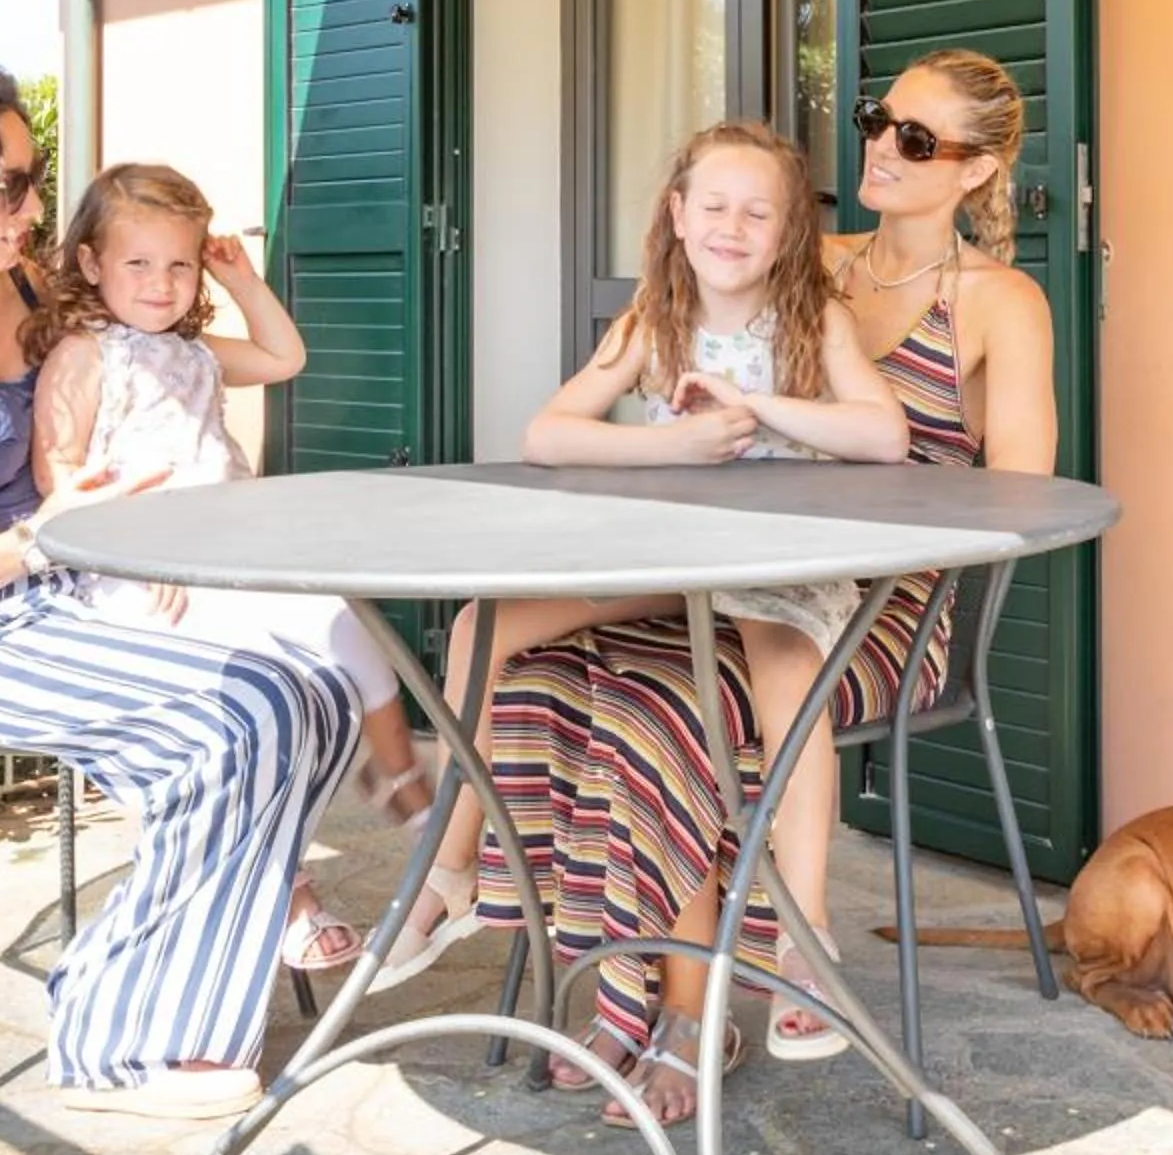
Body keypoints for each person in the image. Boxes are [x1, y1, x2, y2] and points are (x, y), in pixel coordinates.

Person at [399, 50, 1057, 1125]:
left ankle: (703, 1010)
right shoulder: (793, 253)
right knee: (549, 665)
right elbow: (622, 380)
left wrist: (858, 497)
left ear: (977, 171)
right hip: (711, 561)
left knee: (673, 704)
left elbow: (1020, 497)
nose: (883, 147)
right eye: (879, 119)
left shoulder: (997, 301)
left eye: (918, 140)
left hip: (883, 597)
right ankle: (615, 986)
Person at [0, 53, 366, 1123]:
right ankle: (118, 1036)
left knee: (318, 689)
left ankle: (207, 963)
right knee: (244, 712)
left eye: (32, 174)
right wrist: (38, 538)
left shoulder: (20, 290)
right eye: (9, 183)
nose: (34, 204)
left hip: (64, 591)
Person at [371, 123, 909, 1041]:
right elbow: (549, 433)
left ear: (786, 234)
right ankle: (451, 864)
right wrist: (671, 446)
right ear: (676, 214)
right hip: (673, 563)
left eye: (757, 212)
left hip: (785, 568)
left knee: (788, 677)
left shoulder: (816, 324)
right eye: (713, 206)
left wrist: (760, 410)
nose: (732, 227)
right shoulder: (651, 321)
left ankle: (802, 938)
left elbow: (885, 434)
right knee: (477, 628)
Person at [27, 161, 440, 971]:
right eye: (138, 263)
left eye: (179, 264)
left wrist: (241, 278)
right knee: (244, 714)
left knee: (351, 632)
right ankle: (288, 897)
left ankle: (406, 791)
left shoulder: (192, 352)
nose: (162, 283)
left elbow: (284, 359)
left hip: (229, 557)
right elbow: (58, 485)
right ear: (90, 265)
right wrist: (140, 561)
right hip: (137, 572)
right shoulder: (84, 357)